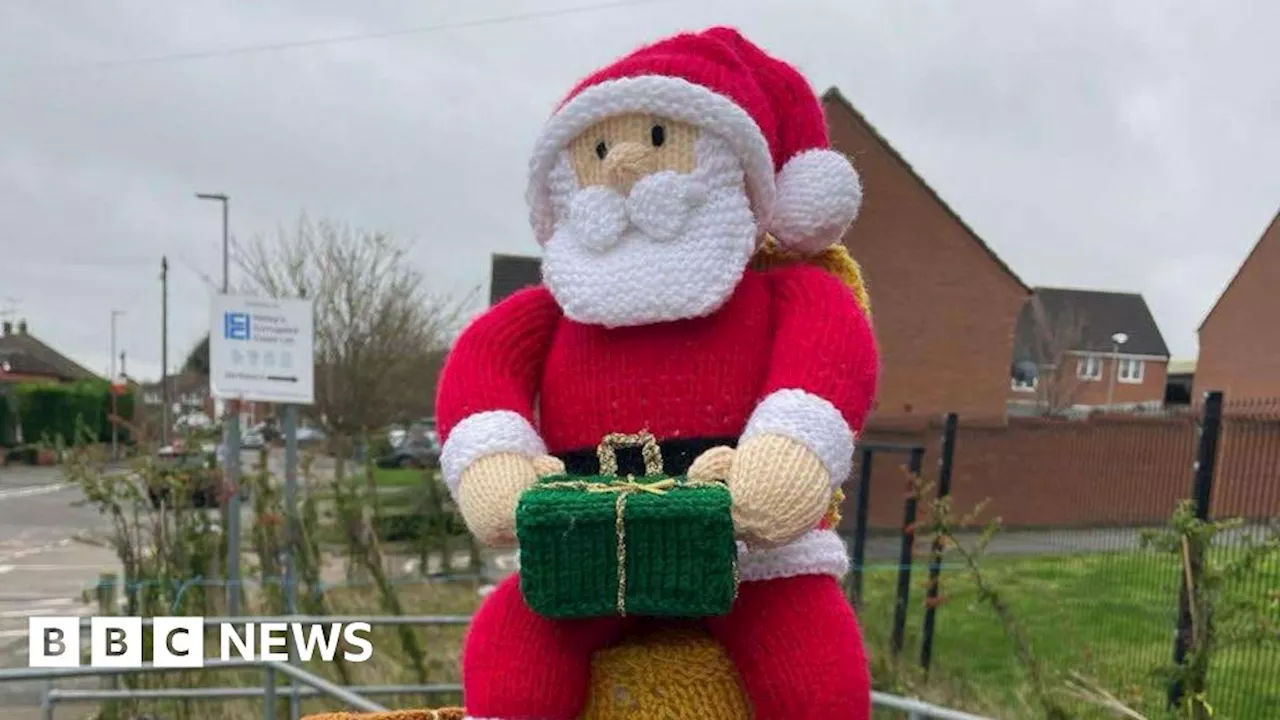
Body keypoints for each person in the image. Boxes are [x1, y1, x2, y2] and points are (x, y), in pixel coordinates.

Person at [436, 26, 879, 720]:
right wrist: (497, 463)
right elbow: (481, 368)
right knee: (513, 645)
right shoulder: (548, 315)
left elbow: (826, 360)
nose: (624, 166)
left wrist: (787, 453)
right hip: (582, 540)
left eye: (660, 137)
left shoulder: (788, 294)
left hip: (746, 548)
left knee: (810, 665)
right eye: (601, 149)